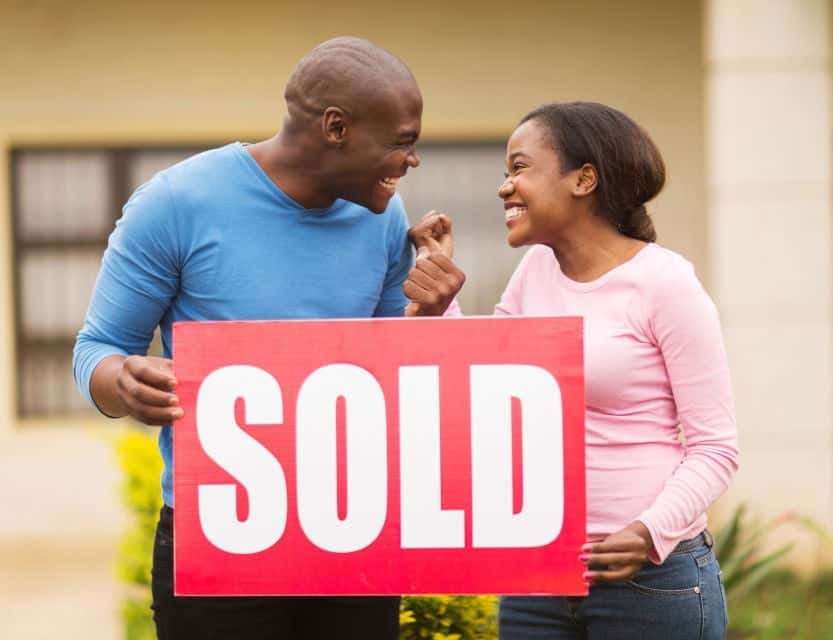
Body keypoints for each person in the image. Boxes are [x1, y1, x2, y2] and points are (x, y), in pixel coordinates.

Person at [72, 36, 462, 640]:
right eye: (402, 141)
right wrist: (122, 382)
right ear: (336, 127)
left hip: (350, 528)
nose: (411, 160)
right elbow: (95, 349)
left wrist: (427, 313)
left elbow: (386, 372)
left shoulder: (384, 215)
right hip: (219, 534)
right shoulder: (175, 204)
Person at [406, 101, 738, 640]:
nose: (504, 188)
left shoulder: (665, 283)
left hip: (651, 581)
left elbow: (716, 447)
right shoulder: (535, 271)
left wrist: (650, 531)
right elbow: (486, 388)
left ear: (584, 179)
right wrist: (441, 293)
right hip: (539, 575)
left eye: (519, 168)